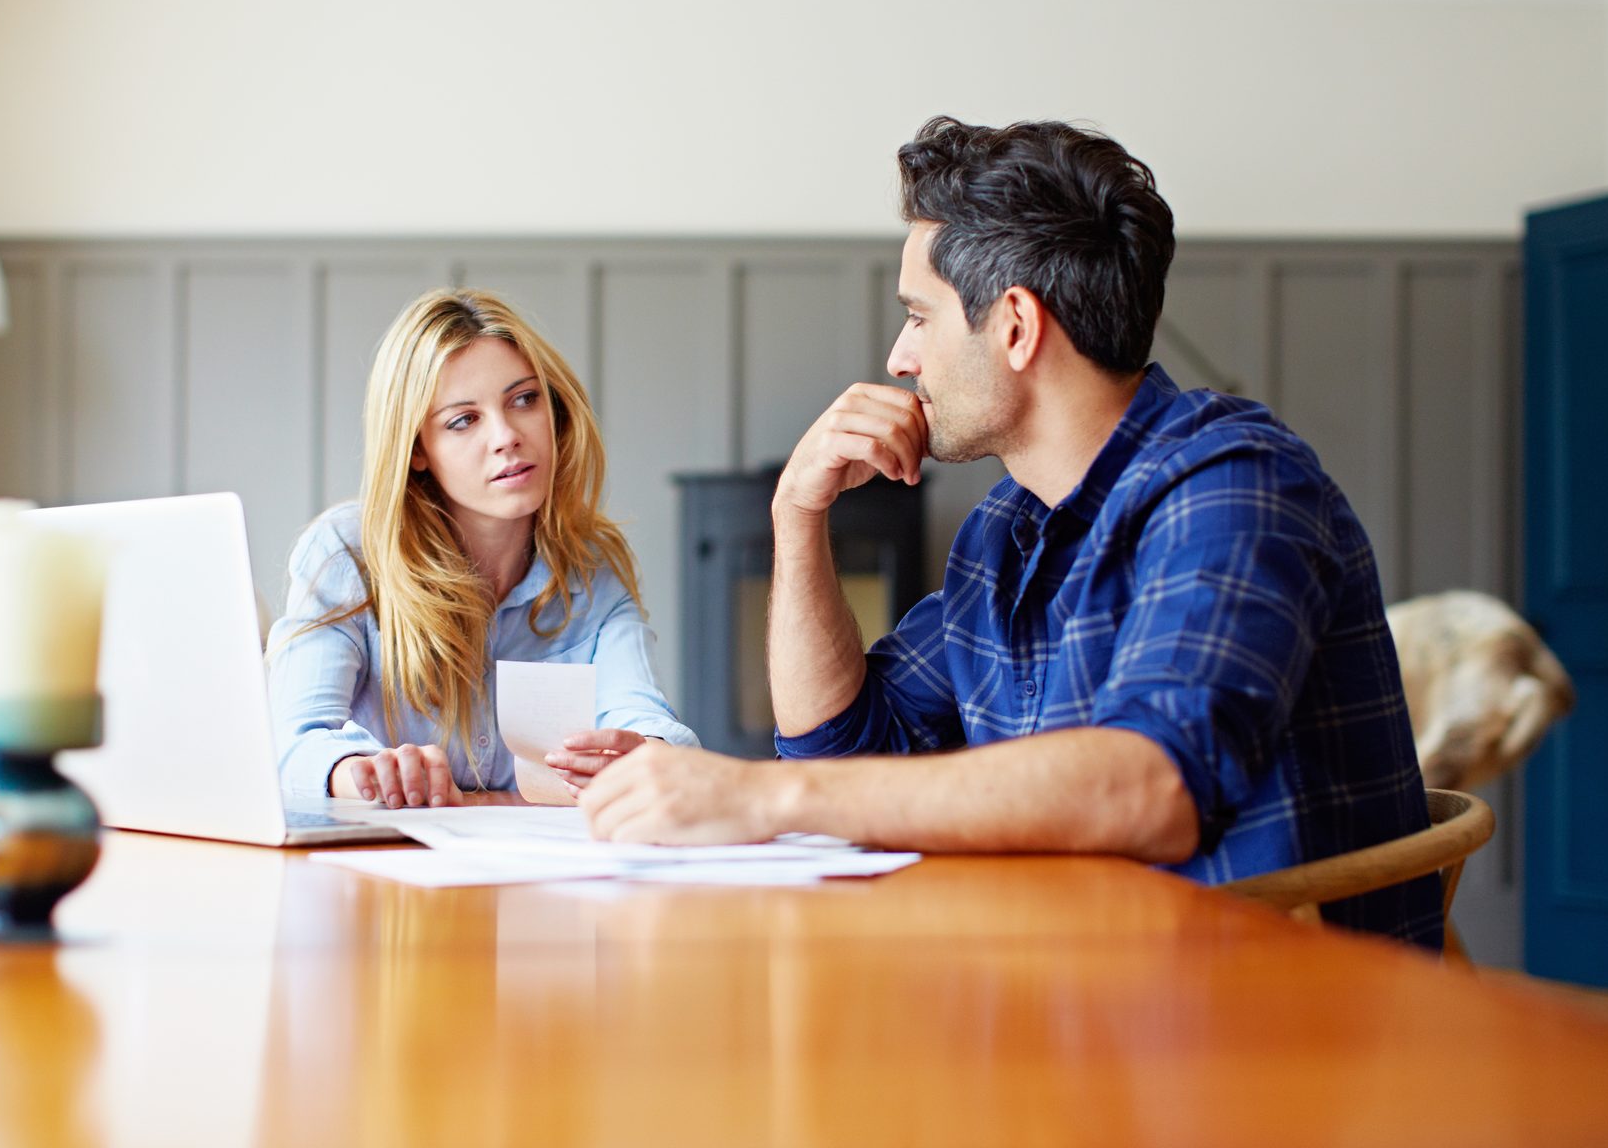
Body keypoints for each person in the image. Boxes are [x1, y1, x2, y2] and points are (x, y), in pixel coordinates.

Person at [581, 117, 1441, 946]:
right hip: (1076, 998)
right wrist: (796, 517)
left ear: (1017, 328)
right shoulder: (1008, 529)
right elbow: (845, 744)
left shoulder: (1235, 486)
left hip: (1269, 1040)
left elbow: (1154, 787)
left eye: (919, 317)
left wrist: (762, 799)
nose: (898, 358)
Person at [269, 288, 696, 808]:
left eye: (524, 399)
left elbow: (644, 717)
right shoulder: (346, 554)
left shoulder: (592, 566)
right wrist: (358, 772)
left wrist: (645, 754)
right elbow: (290, 745)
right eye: (463, 420)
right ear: (418, 450)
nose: (507, 436)